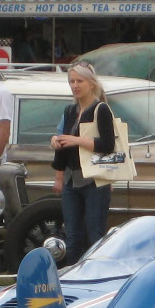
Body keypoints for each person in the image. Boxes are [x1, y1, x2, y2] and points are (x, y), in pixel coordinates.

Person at [51, 61, 117, 263]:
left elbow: (108, 145)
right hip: (72, 178)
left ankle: (95, 274)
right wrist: (59, 175)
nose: (75, 85)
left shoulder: (101, 109)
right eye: (72, 81)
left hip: (94, 180)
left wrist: (77, 140)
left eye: (79, 81)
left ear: (91, 83)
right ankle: (73, 276)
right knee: (72, 236)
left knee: (94, 234)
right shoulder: (70, 111)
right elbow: (62, 142)